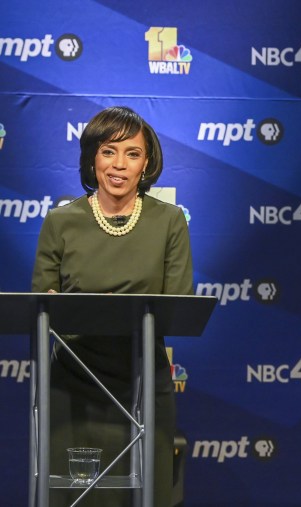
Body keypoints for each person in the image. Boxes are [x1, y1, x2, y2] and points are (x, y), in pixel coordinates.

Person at [32, 106, 192, 506]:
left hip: (142, 381)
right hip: (73, 385)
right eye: (108, 151)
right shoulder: (60, 222)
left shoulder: (169, 221)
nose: (119, 164)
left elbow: (176, 304)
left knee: (144, 494)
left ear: (147, 163)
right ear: (92, 158)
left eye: (132, 153)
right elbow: (41, 306)